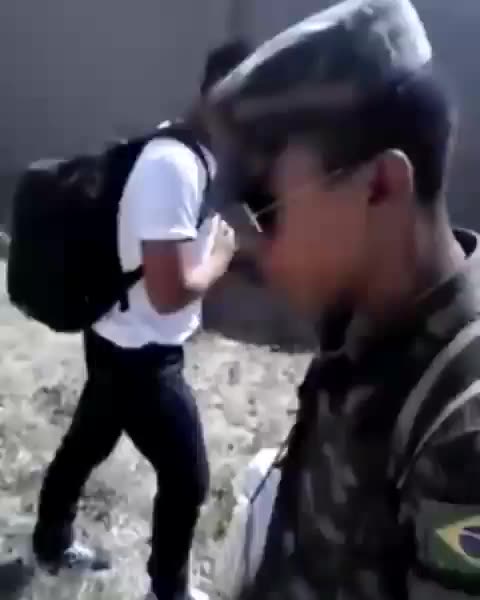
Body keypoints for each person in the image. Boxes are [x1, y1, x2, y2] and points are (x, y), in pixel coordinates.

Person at [209, 1, 480, 598]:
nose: (246, 244)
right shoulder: (368, 317)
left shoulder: (464, 433)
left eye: (262, 209)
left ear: (380, 186)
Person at [31, 39, 251, 600]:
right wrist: (220, 259)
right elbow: (169, 291)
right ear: (217, 98)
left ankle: (51, 540)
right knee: (188, 478)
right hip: (141, 353)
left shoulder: (189, 152)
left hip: (120, 336)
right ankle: (167, 591)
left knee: (88, 442)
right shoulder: (173, 167)